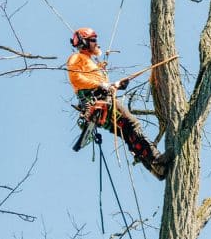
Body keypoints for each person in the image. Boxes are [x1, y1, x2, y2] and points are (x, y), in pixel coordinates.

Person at [66, 27, 171, 179]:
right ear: (84, 42)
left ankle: (156, 170)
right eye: (93, 40)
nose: (96, 43)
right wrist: (101, 85)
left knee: (129, 134)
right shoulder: (77, 58)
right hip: (98, 101)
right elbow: (75, 78)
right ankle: (156, 160)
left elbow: (103, 85)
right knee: (133, 125)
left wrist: (116, 85)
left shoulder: (91, 63)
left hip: (104, 101)